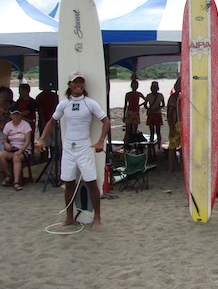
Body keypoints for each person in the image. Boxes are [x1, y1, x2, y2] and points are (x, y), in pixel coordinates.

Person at [36, 71, 110, 228]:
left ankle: (97, 217)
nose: (78, 85)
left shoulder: (90, 103)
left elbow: (106, 121)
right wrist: (42, 138)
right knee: (69, 182)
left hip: (84, 147)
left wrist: (100, 141)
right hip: (69, 147)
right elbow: (52, 121)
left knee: (91, 182)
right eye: (75, 82)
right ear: (69, 85)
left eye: (81, 82)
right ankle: (69, 217)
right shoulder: (64, 104)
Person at [0, 105, 32, 191]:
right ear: (10, 115)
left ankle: (16, 182)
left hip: (24, 150)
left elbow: (27, 141)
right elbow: (4, 139)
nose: (16, 116)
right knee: (1, 155)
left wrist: (21, 150)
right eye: (14, 114)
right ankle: (9, 175)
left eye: (18, 114)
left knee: (16, 157)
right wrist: (6, 144)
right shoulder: (8, 125)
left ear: (20, 115)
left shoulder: (25, 125)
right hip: (12, 149)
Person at [123, 79, 145, 145]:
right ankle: (126, 144)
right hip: (130, 112)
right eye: (133, 85)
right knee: (128, 130)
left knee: (134, 130)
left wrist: (139, 105)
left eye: (135, 85)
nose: (134, 87)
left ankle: (133, 144)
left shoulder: (138, 94)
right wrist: (124, 115)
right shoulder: (128, 94)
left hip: (135, 112)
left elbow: (146, 100)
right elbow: (125, 105)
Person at [144, 81, 165, 151]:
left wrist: (152, 109)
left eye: (155, 87)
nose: (154, 89)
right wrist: (151, 109)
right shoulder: (156, 95)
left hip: (155, 114)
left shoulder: (157, 95)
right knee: (152, 131)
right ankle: (154, 146)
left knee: (157, 131)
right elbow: (145, 105)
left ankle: (158, 145)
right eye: (153, 87)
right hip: (154, 113)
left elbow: (163, 104)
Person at [167, 78, 181, 173]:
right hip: (175, 124)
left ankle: (180, 166)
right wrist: (171, 126)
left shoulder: (182, 97)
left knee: (182, 147)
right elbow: (169, 113)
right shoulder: (173, 98)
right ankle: (171, 167)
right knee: (172, 147)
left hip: (181, 123)